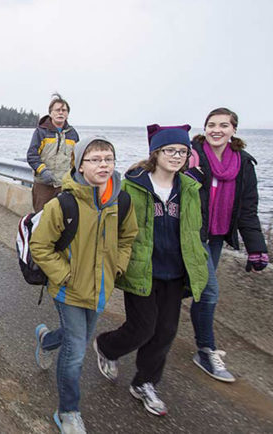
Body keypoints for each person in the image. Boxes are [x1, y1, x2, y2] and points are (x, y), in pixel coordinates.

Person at [93, 125, 208, 417]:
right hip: (141, 270)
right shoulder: (133, 186)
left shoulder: (190, 189)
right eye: (170, 150)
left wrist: (198, 264)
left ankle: (144, 383)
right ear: (156, 152)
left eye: (182, 151)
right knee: (142, 328)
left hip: (175, 273)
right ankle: (107, 346)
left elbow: (195, 231)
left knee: (166, 331)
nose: (176, 156)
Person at [30, 136, 138, 433]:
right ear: (79, 163)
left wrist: (117, 266)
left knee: (73, 337)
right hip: (68, 289)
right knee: (76, 350)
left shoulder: (122, 201)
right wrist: (65, 275)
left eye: (108, 158)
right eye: (95, 159)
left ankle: (45, 340)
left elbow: (128, 238)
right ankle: (68, 412)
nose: (103, 164)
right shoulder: (63, 203)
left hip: (101, 287)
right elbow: (40, 246)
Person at [187, 107, 268, 382]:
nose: (216, 130)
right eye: (211, 124)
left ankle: (202, 347)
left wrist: (257, 247)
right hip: (192, 236)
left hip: (218, 236)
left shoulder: (243, 163)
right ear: (205, 127)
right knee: (209, 291)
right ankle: (206, 349)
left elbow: (247, 208)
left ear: (234, 129)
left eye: (223, 125)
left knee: (200, 292)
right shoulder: (192, 155)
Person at [27, 93, 80, 212]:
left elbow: (76, 160)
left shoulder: (73, 134)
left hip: (65, 186)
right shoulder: (41, 132)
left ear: (67, 114)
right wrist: (43, 171)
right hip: (43, 186)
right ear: (51, 113)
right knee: (40, 218)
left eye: (64, 110)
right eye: (57, 110)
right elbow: (32, 155)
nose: (61, 113)